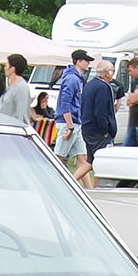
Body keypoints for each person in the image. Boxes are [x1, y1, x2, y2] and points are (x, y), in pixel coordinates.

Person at [52, 49, 91, 182]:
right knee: (59, 158)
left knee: (83, 160)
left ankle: (87, 190)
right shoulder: (72, 79)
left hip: (74, 123)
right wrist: (70, 127)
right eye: (86, 60)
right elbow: (65, 103)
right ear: (78, 61)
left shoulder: (76, 78)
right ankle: (56, 184)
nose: (88, 63)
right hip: (68, 123)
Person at [79, 59, 117, 185]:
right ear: (106, 73)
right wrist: (105, 130)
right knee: (100, 162)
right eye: (112, 70)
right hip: (98, 131)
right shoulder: (103, 87)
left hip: (87, 128)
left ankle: (69, 181)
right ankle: (97, 189)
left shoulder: (89, 85)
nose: (113, 73)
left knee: (91, 162)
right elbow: (100, 112)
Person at [0, 53, 31, 126]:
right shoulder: (11, 85)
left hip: (13, 130)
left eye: (6, 65)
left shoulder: (21, 87)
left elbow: (21, 114)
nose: (4, 68)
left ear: (12, 69)